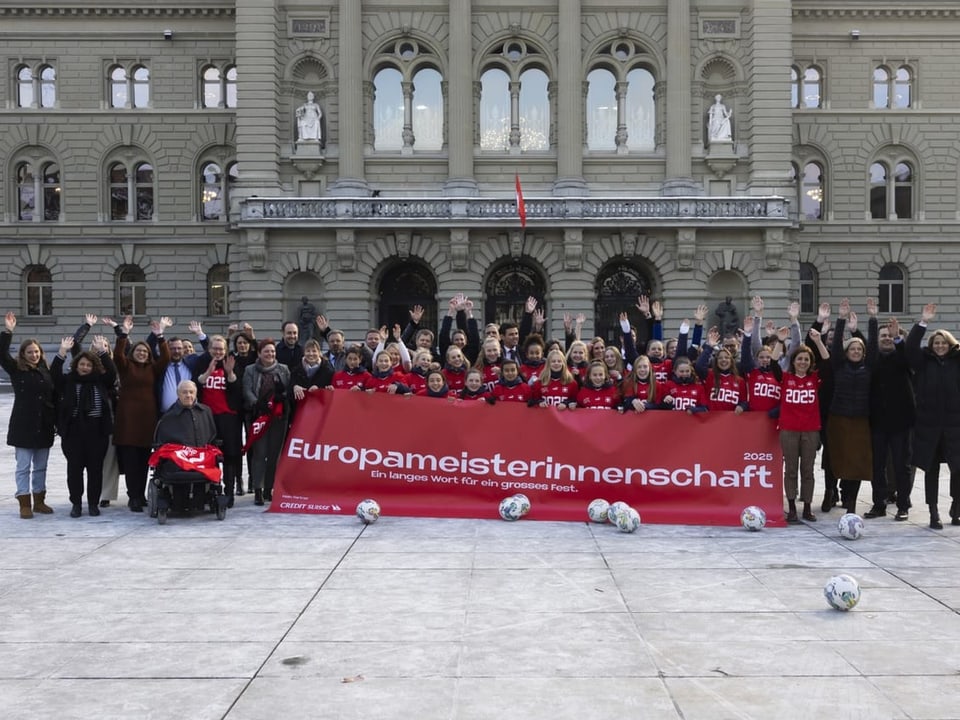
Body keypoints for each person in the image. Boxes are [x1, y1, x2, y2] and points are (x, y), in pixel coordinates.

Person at [905, 303, 960, 529]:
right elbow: (909, 349)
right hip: (929, 426)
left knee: (958, 469)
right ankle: (933, 511)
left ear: (950, 345)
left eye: (943, 343)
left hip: (955, 425)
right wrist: (923, 322)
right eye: (936, 343)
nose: (939, 346)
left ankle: (956, 508)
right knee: (931, 469)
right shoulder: (924, 362)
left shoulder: (958, 361)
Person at [51, 335, 117, 517]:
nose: (85, 368)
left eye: (88, 365)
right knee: (74, 470)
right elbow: (54, 374)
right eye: (82, 364)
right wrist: (62, 352)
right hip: (73, 432)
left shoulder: (100, 381)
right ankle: (76, 504)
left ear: (93, 367)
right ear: (76, 365)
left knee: (95, 471)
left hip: (97, 432)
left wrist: (102, 352)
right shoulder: (68, 381)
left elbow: (112, 373)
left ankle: (93, 504)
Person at [108, 315, 169, 512]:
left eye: (145, 351)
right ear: (133, 353)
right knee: (131, 462)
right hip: (128, 421)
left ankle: (140, 495)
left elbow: (166, 358)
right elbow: (117, 355)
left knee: (144, 462)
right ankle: (133, 496)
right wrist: (124, 333)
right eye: (139, 351)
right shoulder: (126, 367)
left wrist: (160, 336)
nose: (142, 353)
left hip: (147, 421)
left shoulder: (153, 368)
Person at [0, 312, 57, 519]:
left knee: (41, 466)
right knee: (23, 466)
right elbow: (1, 354)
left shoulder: (45, 371)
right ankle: (24, 502)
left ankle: (39, 500)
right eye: (30, 352)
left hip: (44, 425)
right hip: (23, 424)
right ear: (23, 354)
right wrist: (8, 331)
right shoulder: (16, 370)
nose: (34, 355)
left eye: (36, 352)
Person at [827, 298, 878, 514]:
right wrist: (840, 319)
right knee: (839, 459)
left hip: (860, 420)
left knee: (857, 463)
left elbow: (874, 345)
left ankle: (851, 502)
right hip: (838, 419)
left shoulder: (869, 367)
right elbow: (836, 344)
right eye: (853, 349)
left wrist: (873, 318)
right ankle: (834, 493)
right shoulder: (839, 365)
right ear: (847, 352)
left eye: (859, 349)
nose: (856, 351)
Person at [866, 317, 915, 520]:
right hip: (877, 422)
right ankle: (879, 504)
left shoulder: (903, 358)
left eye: (890, 336)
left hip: (901, 422)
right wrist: (871, 319)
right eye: (883, 336)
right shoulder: (873, 358)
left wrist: (898, 339)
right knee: (877, 466)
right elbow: (867, 345)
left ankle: (903, 505)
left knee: (901, 465)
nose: (887, 339)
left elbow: (907, 359)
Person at [778, 332, 830, 523]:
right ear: (793, 361)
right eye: (799, 359)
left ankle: (807, 507)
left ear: (810, 362)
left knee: (807, 470)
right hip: (789, 429)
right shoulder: (785, 378)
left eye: (806, 359)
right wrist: (781, 341)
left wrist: (817, 341)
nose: (802, 362)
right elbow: (774, 363)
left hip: (810, 430)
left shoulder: (815, 378)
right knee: (791, 469)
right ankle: (791, 508)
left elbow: (827, 362)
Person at [153, 380, 219, 514]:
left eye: (191, 392)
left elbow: (212, 436)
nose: (188, 395)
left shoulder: (206, 412)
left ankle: (200, 502)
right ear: (178, 394)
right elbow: (162, 444)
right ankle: (178, 503)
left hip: (201, 459)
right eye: (184, 392)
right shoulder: (168, 416)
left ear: (196, 393)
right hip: (178, 462)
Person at [194, 335, 244, 507]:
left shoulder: (231, 363)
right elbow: (197, 383)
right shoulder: (202, 364)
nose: (218, 352)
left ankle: (229, 493)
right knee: (208, 457)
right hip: (207, 418)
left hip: (228, 417)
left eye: (221, 349)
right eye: (215, 349)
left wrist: (230, 373)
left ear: (226, 350)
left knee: (230, 456)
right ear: (209, 350)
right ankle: (208, 492)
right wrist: (208, 372)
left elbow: (237, 389)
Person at [242, 339, 291, 506]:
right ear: (259, 353)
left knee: (274, 455)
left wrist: (282, 396)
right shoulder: (250, 370)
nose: (270, 354)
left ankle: (270, 488)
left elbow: (288, 389)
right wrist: (257, 404)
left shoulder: (283, 369)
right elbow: (247, 389)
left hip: (278, 417)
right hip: (258, 416)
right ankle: (258, 489)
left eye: (272, 351)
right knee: (260, 454)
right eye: (266, 351)